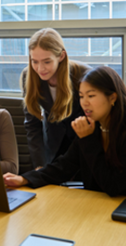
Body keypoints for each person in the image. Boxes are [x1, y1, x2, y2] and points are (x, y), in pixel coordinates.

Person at [4, 66, 126, 200]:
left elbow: (112, 186)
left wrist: (87, 139)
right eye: (81, 96)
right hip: (99, 207)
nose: (84, 102)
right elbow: (64, 166)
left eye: (91, 96)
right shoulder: (93, 128)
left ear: (112, 97)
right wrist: (25, 178)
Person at [21, 28, 90, 169]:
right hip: (53, 143)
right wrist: (39, 165)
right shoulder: (28, 76)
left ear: (61, 56)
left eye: (47, 62)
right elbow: (32, 125)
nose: (40, 69)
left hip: (83, 142)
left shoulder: (84, 75)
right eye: (34, 61)